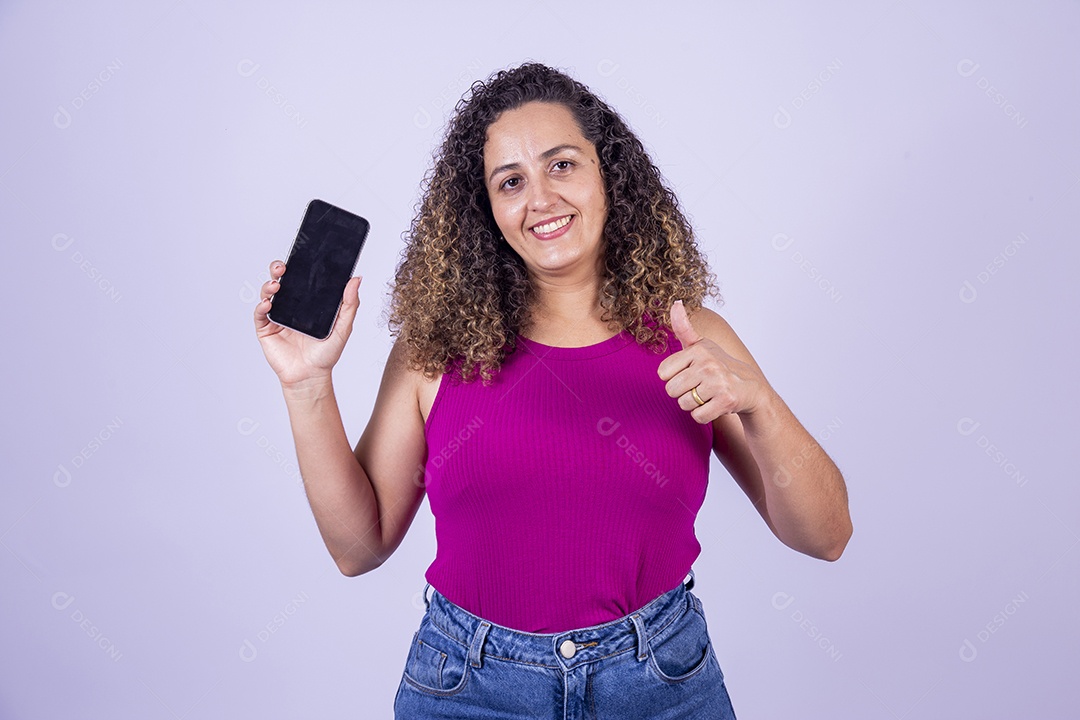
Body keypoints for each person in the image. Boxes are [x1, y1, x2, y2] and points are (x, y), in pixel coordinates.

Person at [254, 62, 852, 719]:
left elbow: (826, 536)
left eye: (562, 165)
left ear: (608, 174)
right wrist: (308, 383)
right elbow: (357, 548)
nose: (540, 200)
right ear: (487, 209)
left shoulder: (694, 338)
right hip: (470, 690)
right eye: (511, 181)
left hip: (660, 685)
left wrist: (759, 404)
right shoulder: (435, 353)